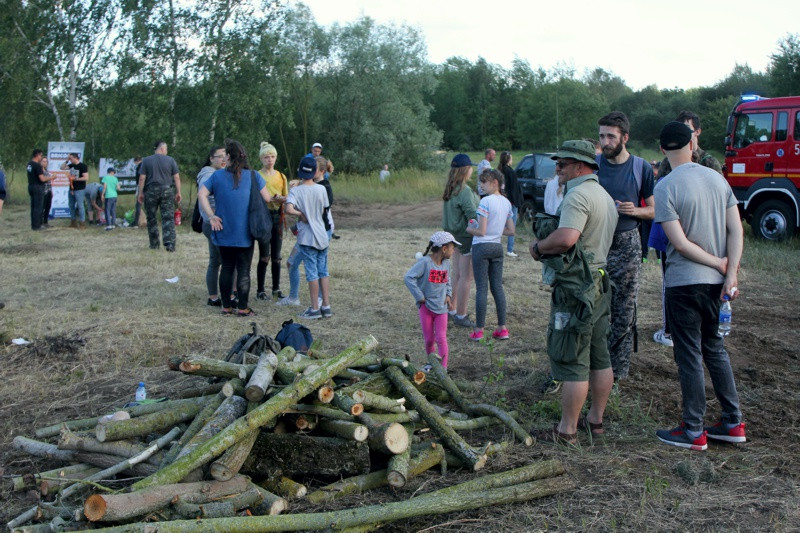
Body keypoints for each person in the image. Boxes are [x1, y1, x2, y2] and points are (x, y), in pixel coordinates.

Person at [653, 121, 745, 450]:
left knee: (689, 354)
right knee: (715, 349)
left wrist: (718, 263)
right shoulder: (718, 180)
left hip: (684, 283)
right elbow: (736, 230)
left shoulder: (665, 186)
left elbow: (679, 243)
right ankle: (733, 422)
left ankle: (693, 429)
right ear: (692, 144)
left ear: (662, 149)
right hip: (716, 285)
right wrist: (729, 273)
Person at [530, 139, 618, 444]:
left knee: (572, 358)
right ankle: (595, 421)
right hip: (599, 283)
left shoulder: (578, 195)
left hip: (576, 288)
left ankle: (566, 431)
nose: (558, 169)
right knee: (600, 355)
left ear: (580, 166)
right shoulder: (603, 195)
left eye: (563, 164)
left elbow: (567, 238)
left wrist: (538, 247)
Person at [596, 111, 655, 381]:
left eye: (611, 136)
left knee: (624, 311)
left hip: (627, 244)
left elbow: (655, 210)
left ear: (625, 138)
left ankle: (617, 374)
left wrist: (635, 210)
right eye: (601, 136)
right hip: (597, 242)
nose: (605, 142)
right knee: (593, 308)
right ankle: (593, 366)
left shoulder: (641, 168)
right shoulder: (594, 165)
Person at [198, 139, 271, 317]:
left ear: (229, 157)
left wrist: (211, 216)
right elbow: (267, 198)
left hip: (223, 230)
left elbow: (202, 194)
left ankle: (226, 307)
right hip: (245, 232)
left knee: (227, 267)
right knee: (244, 270)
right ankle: (243, 308)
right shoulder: (253, 175)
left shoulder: (217, 176)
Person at [467, 169, 514, 341]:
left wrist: (470, 228)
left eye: (484, 182)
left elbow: (481, 231)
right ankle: (502, 328)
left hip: (482, 247)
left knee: (482, 288)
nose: (481, 185)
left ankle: (479, 330)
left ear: (495, 182)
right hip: (497, 247)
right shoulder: (507, 203)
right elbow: (511, 230)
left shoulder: (485, 201)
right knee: (497, 287)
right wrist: (497, 230)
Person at [285, 156, 331, 319]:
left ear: (300, 171)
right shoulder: (321, 189)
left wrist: (300, 214)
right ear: (315, 171)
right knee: (323, 271)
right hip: (322, 235)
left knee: (312, 273)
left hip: (307, 238)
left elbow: (288, 209)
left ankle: (314, 309)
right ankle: (326, 306)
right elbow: (324, 209)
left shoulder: (296, 190)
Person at [405, 231, 457, 369]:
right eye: (452, 248)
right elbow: (409, 277)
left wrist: (448, 295)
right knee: (429, 340)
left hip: (442, 308)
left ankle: (443, 369)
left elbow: (448, 280)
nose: (453, 251)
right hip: (426, 308)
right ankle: (431, 363)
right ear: (444, 249)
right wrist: (419, 297)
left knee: (441, 338)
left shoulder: (446, 264)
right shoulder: (425, 263)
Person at [442, 154, 479, 328]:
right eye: (471, 167)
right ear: (466, 170)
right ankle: (461, 315)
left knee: (456, 274)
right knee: (466, 277)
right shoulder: (464, 191)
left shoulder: (451, 188)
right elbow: (472, 216)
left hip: (452, 237)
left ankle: (451, 309)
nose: (472, 170)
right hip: (465, 239)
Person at [256, 141, 288, 301]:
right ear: (261, 159)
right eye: (267, 157)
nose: (270, 159)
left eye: (272, 156)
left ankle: (276, 288)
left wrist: (281, 199)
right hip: (263, 216)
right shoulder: (257, 176)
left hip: (278, 215)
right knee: (264, 255)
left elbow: (287, 197)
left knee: (277, 255)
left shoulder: (281, 176)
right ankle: (260, 290)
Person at [137, 141, 182, 251]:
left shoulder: (146, 160)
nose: (166, 151)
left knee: (151, 217)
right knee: (168, 217)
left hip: (151, 191)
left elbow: (142, 178)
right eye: (166, 149)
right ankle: (170, 243)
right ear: (162, 149)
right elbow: (176, 177)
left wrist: (140, 192)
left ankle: (154, 244)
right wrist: (178, 192)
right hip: (167, 190)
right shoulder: (170, 160)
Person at [197, 145, 227, 307]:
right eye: (219, 156)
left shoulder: (218, 173)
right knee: (223, 260)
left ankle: (214, 297)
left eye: (225, 156)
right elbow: (206, 198)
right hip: (213, 223)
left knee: (216, 260)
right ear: (211, 158)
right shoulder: (208, 174)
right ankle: (223, 295)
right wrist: (214, 215)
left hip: (213, 223)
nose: (223, 159)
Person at [658, 111, 722, 177]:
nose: (682, 133)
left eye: (686, 129)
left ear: (697, 131)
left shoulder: (709, 162)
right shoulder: (667, 162)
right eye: (679, 130)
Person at [497, 151, 522, 257]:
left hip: (500, 200)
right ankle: (510, 249)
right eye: (511, 158)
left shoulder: (499, 170)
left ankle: (495, 244)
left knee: (499, 224)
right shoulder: (510, 171)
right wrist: (517, 202)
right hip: (511, 202)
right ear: (508, 159)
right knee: (512, 226)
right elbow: (514, 189)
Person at [61, 152, 89, 229]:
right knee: (71, 205)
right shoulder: (71, 165)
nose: (70, 160)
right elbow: (62, 167)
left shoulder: (83, 166)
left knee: (80, 206)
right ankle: (73, 222)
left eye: (71, 158)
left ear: (76, 158)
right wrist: (67, 160)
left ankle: (82, 223)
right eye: (69, 158)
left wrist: (76, 179)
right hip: (71, 188)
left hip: (80, 189)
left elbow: (86, 178)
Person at [27, 149, 49, 231]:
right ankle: (37, 226)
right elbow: (42, 179)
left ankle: (34, 224)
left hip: (31, 186)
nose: (41, 157)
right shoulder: (38, 166)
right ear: (37, 155)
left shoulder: (29, 164)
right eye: (41, 155)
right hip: (38, 187)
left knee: (33, 206)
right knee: (38, 207)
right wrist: (51, 177)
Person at [40, 157, 53, 228]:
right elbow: (43, 179)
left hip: (49, 190)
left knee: (48, 206)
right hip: (43, 191)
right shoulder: (40, 171)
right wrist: (52, 177)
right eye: (43, 161)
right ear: (40, 162)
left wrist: (51, 191)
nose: (45, 163)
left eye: (46, 162)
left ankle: (45, 222)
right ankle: (40, 222)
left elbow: (49, 182)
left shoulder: (47, 171)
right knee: (42, 207)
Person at [131, 156, 143, 228]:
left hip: (141, 186)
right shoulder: (146, 165)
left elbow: (140, 178)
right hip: (148, 187)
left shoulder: (139, 167)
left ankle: (136, 222)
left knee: (138, 204)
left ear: (136, 161)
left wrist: (139, 188)